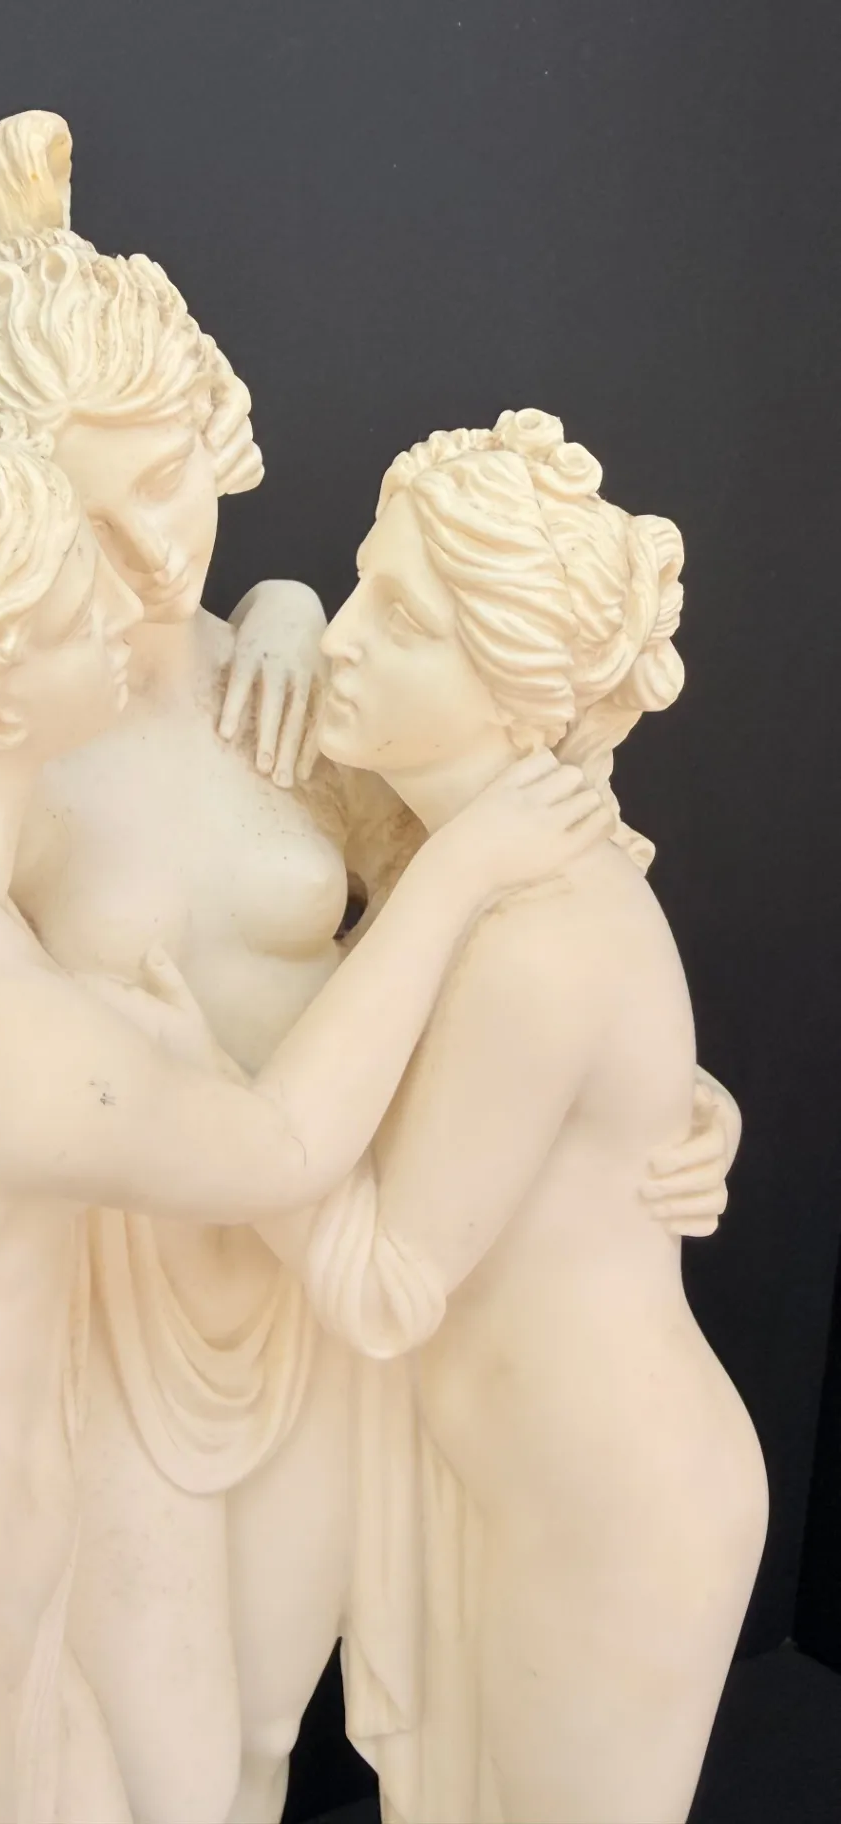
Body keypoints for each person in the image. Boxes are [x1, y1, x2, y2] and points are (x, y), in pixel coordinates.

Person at [0, 114, 740, 1824]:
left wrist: (652, 1104)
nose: (148, 559)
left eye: (170, 489)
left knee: (263, 1734)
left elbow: (499, 920)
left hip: (317, 1297)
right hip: (97, 1320)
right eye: (91, 518)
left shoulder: (286, 680)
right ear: (3, 527)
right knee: (158, 1768)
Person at [292, 409, 767, 1824]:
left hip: (613, 1515)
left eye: (404, 619)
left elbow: (384, 1284)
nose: (340, 638)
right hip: (509, 1496)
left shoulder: (533, 934)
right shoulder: (470, 873)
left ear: (513, 689)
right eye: (360, 584)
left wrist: (195, 1096)